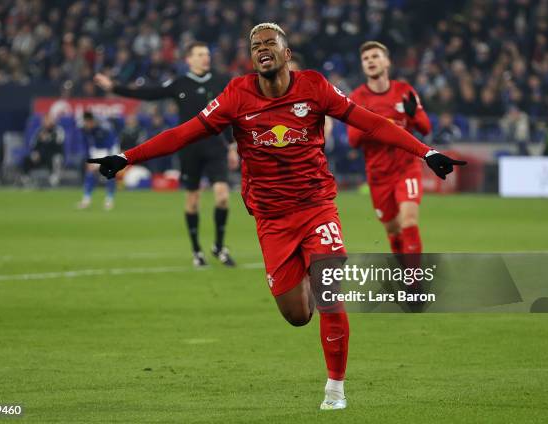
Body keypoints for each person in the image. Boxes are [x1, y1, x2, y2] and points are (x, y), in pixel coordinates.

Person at [88, 23, 465, 410]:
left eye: (270, 43)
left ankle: (335, 390)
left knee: (330, 295)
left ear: (287, 55)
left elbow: (369, 121)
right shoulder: (236, 94)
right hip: (271, 218)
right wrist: (127, 157)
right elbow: (184, 133)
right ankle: (308, 276)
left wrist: (426, 152)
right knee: (298, 316)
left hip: (317, 205)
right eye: (256, 46)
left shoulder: (314, 87)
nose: (262, 49)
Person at [94, 41, 239, 268]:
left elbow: (231, 114)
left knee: (222, 196)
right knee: (192, 199)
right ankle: (197, 251)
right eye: (200, 54)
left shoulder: (221, 81)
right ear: (188, 59)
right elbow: (149, 93)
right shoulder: (179, 83)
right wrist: (114, 87)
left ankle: (219, 246)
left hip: (216, 145)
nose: (205, 58)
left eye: (206, 54)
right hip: (190, 147)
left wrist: (232, 146)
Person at [347, 41, 432, 256]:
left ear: (387, 62)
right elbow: (353, 139)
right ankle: (404, 272)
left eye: (375, 56)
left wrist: (412, 114)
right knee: (393, 230)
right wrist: (384, 125)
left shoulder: (404, 91)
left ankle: (414, 284)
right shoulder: (357, 98)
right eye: (366, 59)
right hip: (378, 174)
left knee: (409, 221)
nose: (370, 61)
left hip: (406, 167)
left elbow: (425, 127)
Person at [78, 111, 119, 211]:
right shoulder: (85, 129)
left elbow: (111, 143)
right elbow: (88, 145)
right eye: (85, 122)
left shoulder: (104, 128)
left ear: (93, 121)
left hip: (109, 150)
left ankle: (109, 200)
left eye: (88, 122)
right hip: (96, 151)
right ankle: (86, 199)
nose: (87, 124)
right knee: (90, 174)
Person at [22, 113, 64, 187]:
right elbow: (34, 145)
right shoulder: (40, 131)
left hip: (53, 154)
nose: (46, 122)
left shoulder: (58, 130)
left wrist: (47, 139)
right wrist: (35, 153)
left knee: (56, 159)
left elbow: (58, 143)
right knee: (27, 158)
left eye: (49, 120)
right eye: (45, 120)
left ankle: (54, 180)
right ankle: (26, 179)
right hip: (41, 156)